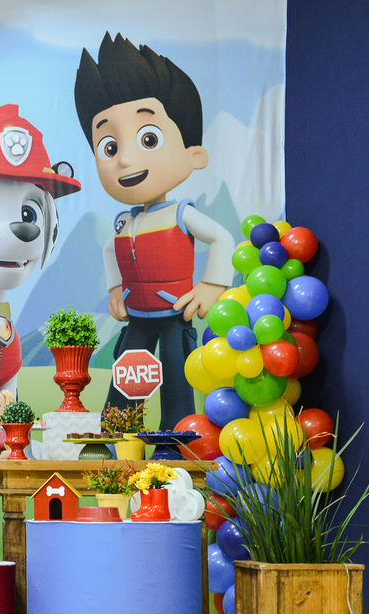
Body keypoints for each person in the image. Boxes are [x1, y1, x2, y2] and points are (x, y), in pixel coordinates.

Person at [74, 33, 234, 429]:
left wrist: (212, 285)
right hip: (137, 315)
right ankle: (117, 431)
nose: (125, 159)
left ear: (194, 154)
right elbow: (111, 252)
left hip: (174, 311)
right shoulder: (124, 221)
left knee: (178, 374)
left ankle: (178, 435)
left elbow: (223, 238)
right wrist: (116, 289)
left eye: (149, 139)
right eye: (109, 147)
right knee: (129, 373)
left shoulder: (181, 213)